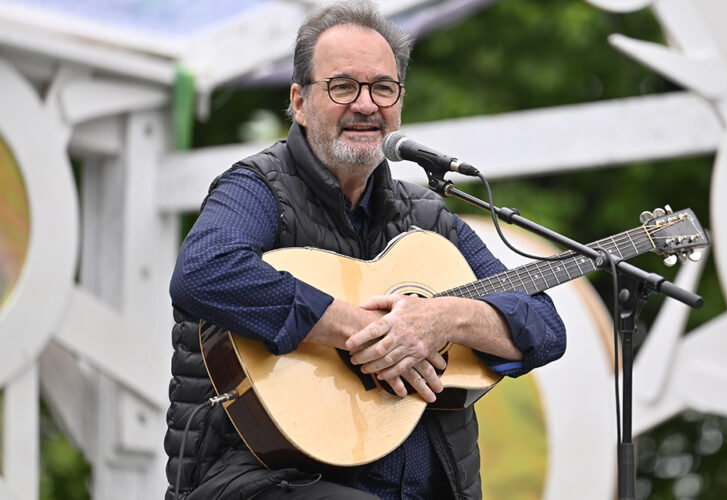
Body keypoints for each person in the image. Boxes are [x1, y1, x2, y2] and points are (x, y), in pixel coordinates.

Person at [164, 1, 566, 499]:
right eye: (343, 86)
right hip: (266, 481)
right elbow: (204, 270)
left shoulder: (429, 217)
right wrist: (365, 330)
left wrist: (442, 320)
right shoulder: (259, 188)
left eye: (383, 88)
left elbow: (546, 326)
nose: (366, 104)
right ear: (299, 101)